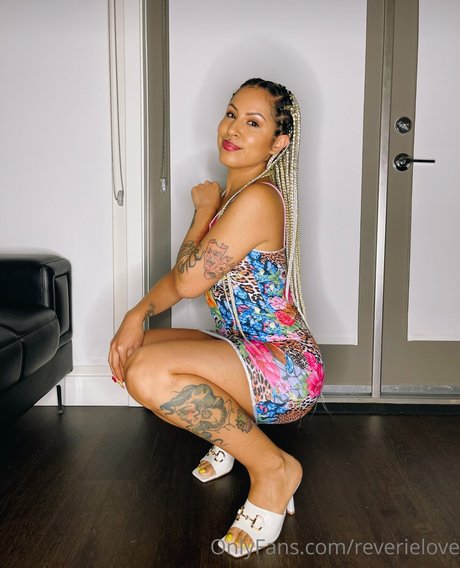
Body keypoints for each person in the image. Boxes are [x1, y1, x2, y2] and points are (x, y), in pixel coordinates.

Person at [108, 77, 325, 558]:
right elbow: (178, 280)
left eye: (253, 122)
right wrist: (134, 316)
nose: (233, 129)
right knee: (137, 350)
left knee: (147, 374)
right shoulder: (236, 197)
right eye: (231, 114)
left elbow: (188, 282)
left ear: (278, 143)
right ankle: (231, 435)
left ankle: (273, 471)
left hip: (286, 369)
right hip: (243, 350)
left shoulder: (257, 199)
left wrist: (201, 212)